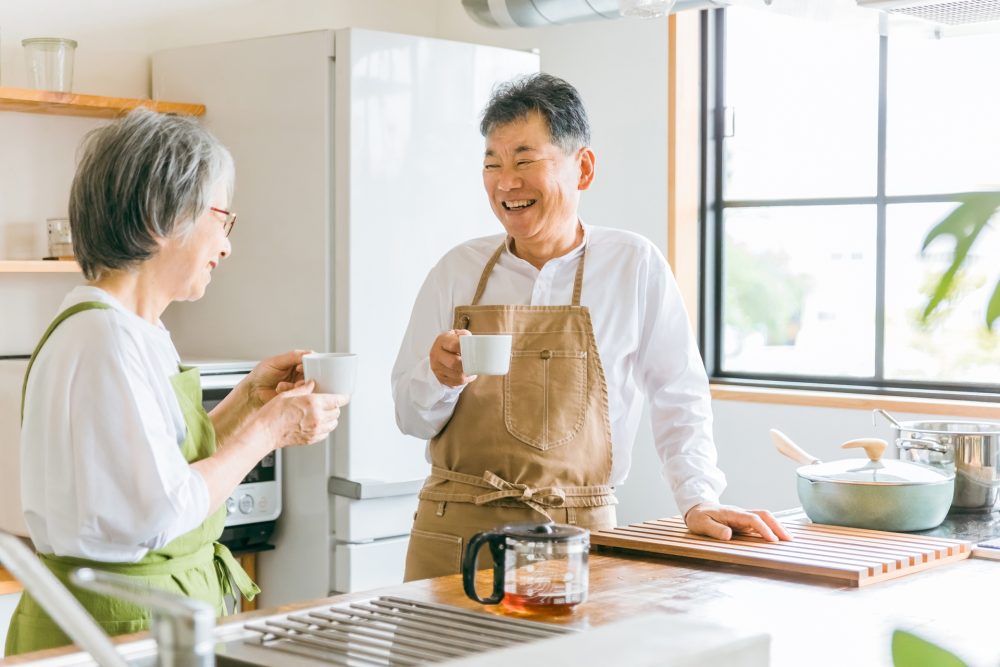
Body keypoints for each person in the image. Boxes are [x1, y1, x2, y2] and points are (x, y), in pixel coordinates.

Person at [392, 73, 791, 581]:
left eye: (524, 159)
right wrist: (437, 377)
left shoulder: (633, 264)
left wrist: (697, 499)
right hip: (453, 535)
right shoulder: (457, 270)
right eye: (492, 163)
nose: (505, 181)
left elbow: (678, 393)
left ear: (583, 168)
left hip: (576, 536)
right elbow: (409, 416)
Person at [5, 109, 347, 656]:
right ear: (159, 217)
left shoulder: (136, 331)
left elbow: (150, 470)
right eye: (221, 218)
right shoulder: (105, 339)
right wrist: (266, 433)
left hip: (141, 617)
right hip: (119, 627)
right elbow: (161, 510)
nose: (227, 245)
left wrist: (245, 403)